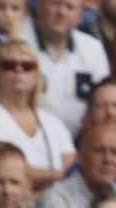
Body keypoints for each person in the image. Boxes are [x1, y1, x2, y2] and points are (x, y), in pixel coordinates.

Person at [0, 40, 76, 191]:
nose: (19, 70)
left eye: (27, 66)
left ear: (37, 75)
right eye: (9, 65)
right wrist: (58, 176)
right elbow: (2, 168)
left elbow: (71, 164)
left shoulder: (52, 121)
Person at [20, 0, 110, 135]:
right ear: (39, 4)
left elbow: (105, 99)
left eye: (70, 7)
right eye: (55, 3)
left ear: (80, 14)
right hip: (24, 136)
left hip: (80, 142)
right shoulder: (17, 38)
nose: (61, 12)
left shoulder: (93, 48)